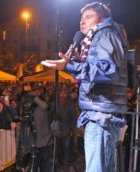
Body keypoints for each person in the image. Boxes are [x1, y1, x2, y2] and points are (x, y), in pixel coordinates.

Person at [41, 2, 128, 171]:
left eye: (89, 17)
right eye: (81, 18)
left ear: (102, 19)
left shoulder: (104, 34)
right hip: (100, 112)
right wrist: (72, 62)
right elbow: (93, 75)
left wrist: (69, 66)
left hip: (101, 115)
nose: (82, 22)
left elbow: (108, 71)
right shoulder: (96, 38)